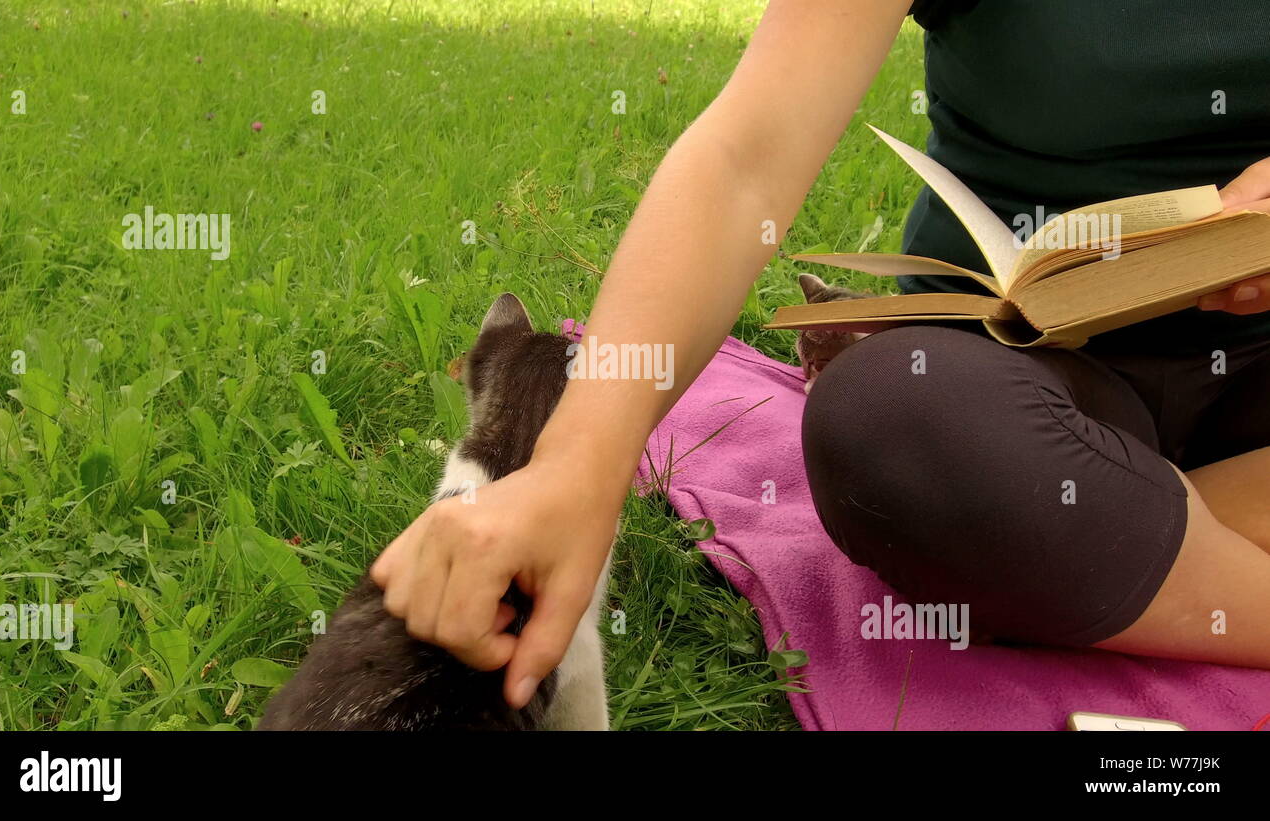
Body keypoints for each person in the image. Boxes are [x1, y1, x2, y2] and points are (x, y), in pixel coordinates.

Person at [371, 0, 1270, 710]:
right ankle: (1190, 522)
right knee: (897, 427)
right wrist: (576, 466)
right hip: (1021, 372)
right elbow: (745, 158)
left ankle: (1131, 549)